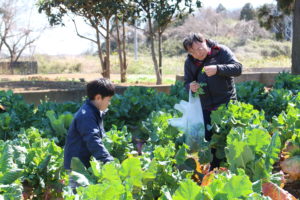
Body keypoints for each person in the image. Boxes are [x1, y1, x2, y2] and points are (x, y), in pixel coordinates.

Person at [182, 33, 242, 169]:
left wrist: (218, 69)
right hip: (205, 108)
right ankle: (214, 171)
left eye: (200, 48)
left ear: (205, 42)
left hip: (226, 104)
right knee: (211, 142)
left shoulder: (221, 52)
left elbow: (238, 68)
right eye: (193, 52)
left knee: (229, 139)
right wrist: (191, 87)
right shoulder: (190, 62)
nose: (198, 53)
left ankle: (233, 168)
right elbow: (187, 82)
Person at [64, 78, 115, 170]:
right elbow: (93, 140)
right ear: (98, 98)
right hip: (77, 168)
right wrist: (108, 161)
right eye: (108, 100)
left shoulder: (94, 112)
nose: (109, 103)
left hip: (84, 165)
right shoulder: (86, 115)